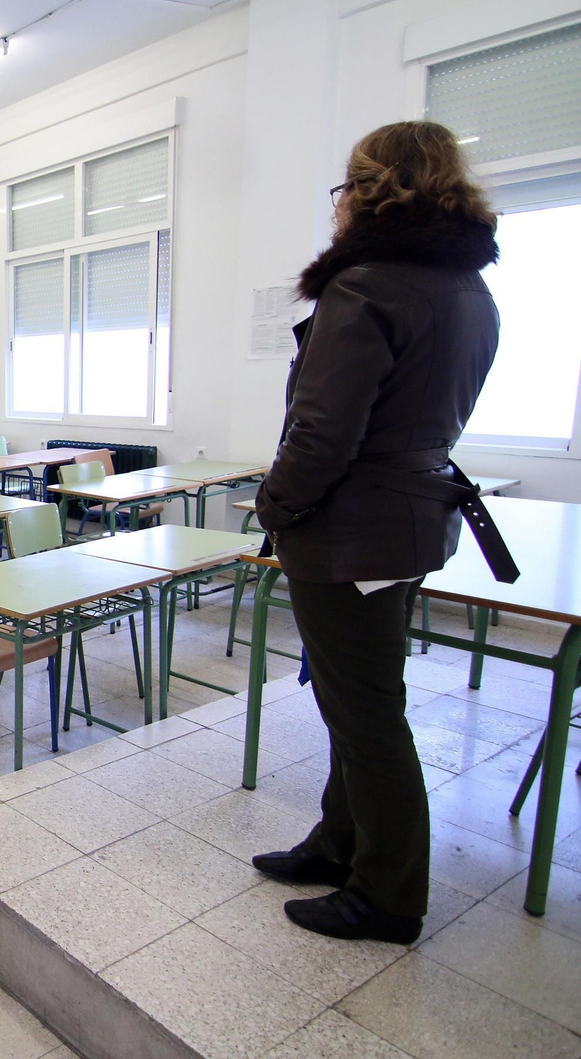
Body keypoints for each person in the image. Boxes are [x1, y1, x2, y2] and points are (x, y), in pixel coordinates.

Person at [252, 120, 501, 944]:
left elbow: (321, 436)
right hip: (410, 521)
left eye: (345, 188)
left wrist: (275, 506)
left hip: (350, 531)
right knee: (353, 700)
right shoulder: (468, 288)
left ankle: (389, 896)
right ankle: (339, 843)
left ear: (367, 190)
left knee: (367, 715)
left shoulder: (364, 287)